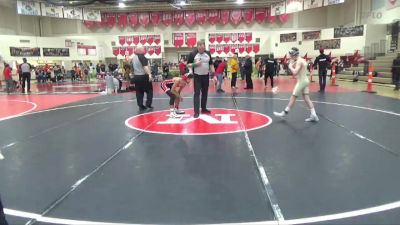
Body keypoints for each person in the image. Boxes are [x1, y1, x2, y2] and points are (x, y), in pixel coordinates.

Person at [274, 47, 319, 122]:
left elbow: (295, 72)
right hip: (306, 81)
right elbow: (299, 66)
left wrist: (290, 66)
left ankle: (284, 113)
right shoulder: (302, 60)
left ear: (294, 54)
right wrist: (292, 63)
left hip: (301, 81)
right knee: (307, 98)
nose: (290, 56)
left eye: (291, 54)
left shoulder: (299, 61)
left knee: (293, 97)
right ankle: (313, 114)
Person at [187, 40, 214, 118]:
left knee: (205, 93)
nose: (200, 48)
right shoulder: (192, 54)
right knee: (197, 93)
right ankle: (196, 112)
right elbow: (188, 65)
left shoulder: (208, 53)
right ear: (197, 46)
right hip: (197, 76)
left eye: (202, 47)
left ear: (204, 47)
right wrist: (195, 64)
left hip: (206, 76)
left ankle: (204, 108)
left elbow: (211, 64)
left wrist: (214, 74)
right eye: (199, 46)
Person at [131, 46, 153, 110]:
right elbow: (145, 67)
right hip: (144, 76)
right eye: (143, 49)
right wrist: (149, 74)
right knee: (149, 91)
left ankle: (140, 105)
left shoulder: (134, 58)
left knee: (139, 92)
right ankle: (148, 104)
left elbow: (132, 67)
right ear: (141, 50)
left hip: (136, 76)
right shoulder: (142, 57)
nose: (144, 50)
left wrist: (133, 75)